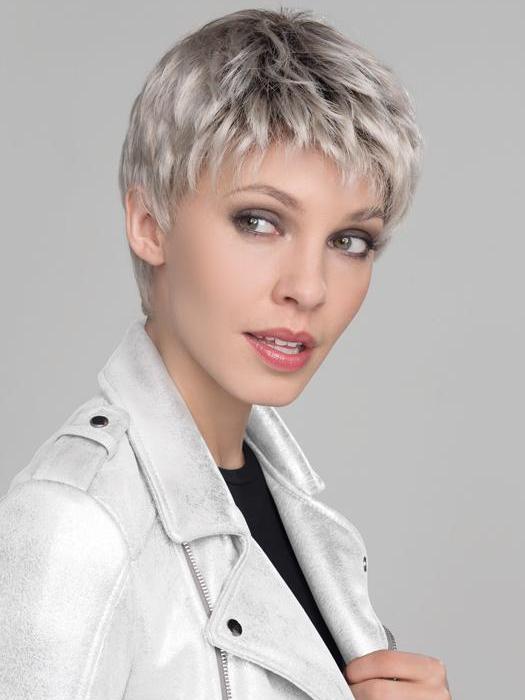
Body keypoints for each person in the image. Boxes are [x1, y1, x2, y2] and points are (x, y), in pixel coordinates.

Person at [0, 7, 451, 699]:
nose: (308, 288)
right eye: (259, 222)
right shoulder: (75, 524)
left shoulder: (300, 515)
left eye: (349, 241)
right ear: (150, 224)